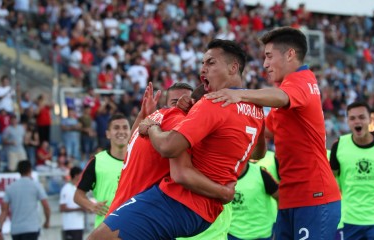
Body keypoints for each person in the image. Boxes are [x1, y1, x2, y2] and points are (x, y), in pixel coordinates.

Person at [91, 39, 266, 239]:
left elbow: (169, 149)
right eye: (202, 63)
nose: (203, 69)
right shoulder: (255, 108)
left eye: (210, 63)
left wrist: (153, 128)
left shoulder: (212, 104)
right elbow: (257, 152)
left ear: (233, 68)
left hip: (179, 200)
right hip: (202, 210)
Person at [205, 27, 341, 239]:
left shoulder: (302, 79)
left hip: (314, 195)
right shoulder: (285, 91)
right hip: (291, 198)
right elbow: (262, 130)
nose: (265, 64)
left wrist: (240, 96)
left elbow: (280, 97)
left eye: (269, 56)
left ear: (289, 54)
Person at [330, 102, 374, 240]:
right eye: (352, 118)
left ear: (370, 120)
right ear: (347, 121)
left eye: (361, 117)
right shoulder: (339, 145)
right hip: (349, 221)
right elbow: (331, 179)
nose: (357, 121)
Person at [74, 113, 131, 228]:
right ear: (108, 134)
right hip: (105, 230)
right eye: (116, 128)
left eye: (125, 127)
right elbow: (78, 196)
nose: (121, 131)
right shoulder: (97, 162)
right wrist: (91, 205)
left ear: (130, 132)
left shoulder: (139, 160)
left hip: (134, 230)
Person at [0, 160, 50, 240]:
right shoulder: (36, 185)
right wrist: (47, 221)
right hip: (31, 227)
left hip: (16, 229)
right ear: (30, 170)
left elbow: (4, 210)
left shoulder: (11, 187)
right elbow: (46, 206)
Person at [228, 161, 279, 240]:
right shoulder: (221, 176)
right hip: (232, 234)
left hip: (263, 235)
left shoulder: (260, 172)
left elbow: (280, 197)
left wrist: (279, 226)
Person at [60, 166, 85, 240]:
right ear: (76, 175)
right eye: (81, 174)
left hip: (79, 225)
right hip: (69, 226)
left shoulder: (80, 189)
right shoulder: (66, 188)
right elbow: (62, 208)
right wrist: (78, 209)